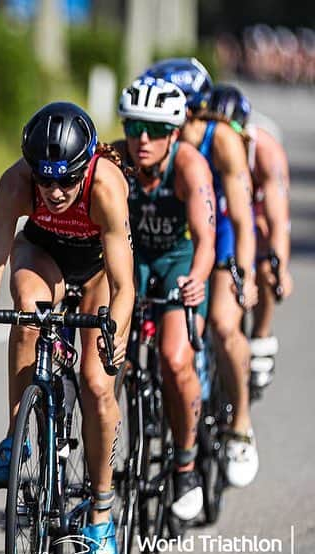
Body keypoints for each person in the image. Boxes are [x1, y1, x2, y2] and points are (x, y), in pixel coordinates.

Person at [0, 102, 134, 554]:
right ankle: (19, 437)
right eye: (46, 180)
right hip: (44, 254)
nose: (55, 192)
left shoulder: (106, 186)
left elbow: (124, 287)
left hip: (97, 268)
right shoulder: (16, 182)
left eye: (66, 181)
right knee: (27, 316)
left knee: (98, 385)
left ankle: (100, 513)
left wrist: (114, 332)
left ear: (85, 168)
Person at [144, 58, 260, 488]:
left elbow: (245, 220)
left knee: (224, 324)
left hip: (221, 230)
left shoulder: (222, 141)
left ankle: (241, 423)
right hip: (176, 231)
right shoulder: (152, 140)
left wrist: (241, 273)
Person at [115, 78, 216, 521]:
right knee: (107, 356)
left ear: (174, 134)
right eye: (135, 126)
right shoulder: (115, 160)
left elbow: (207, 238)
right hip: (131, 259)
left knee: (176, 359)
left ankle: (186, 463)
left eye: (154, 131)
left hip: (178, 260)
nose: (142, 139)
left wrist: (196, 277)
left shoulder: (190, 166)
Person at [208, 83, 293, 395]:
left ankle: (260, 334)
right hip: (225, 213)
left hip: (256, 212)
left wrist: (279, 266)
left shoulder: (265, 154)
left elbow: (278, 220)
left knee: (268, 256)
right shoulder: (207, 148)